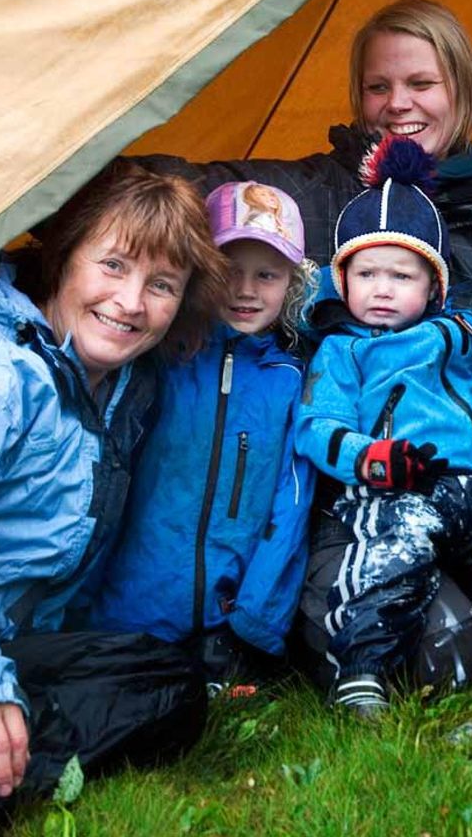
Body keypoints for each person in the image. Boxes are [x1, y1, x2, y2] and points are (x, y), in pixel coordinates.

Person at [134, 0, 472, 688]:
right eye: (378, 86)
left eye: (421, 84)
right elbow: (190, 183)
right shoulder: (310, 194)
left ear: (463, 92)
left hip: (463, 488)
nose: (399, 104)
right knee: (422, 648)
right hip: (332, 488)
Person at [0, 160, 229, 836]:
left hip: (5, 648)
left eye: (162, 285)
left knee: (169, 687)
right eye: (113, 265)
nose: (131, 303)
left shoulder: (123, 384)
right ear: (63, 255)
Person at [294, 138, 472, 718]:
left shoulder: (469, 334)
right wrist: (372, 458)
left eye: (401, 275)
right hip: (400, 479)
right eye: (366, 272)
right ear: (342, 279)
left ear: (434, 286)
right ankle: (362, 670)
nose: (381, 288)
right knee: (391, 557)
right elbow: (316, 426)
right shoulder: (342, 350)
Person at [89, 181, 317, 681]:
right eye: (229, 271)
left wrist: (256, 621)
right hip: (127, 608)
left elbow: (290, 502)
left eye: (268, 275)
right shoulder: (160, 359)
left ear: (293, 284)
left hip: (226, 620)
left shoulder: (290, 382)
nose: (245, 290)